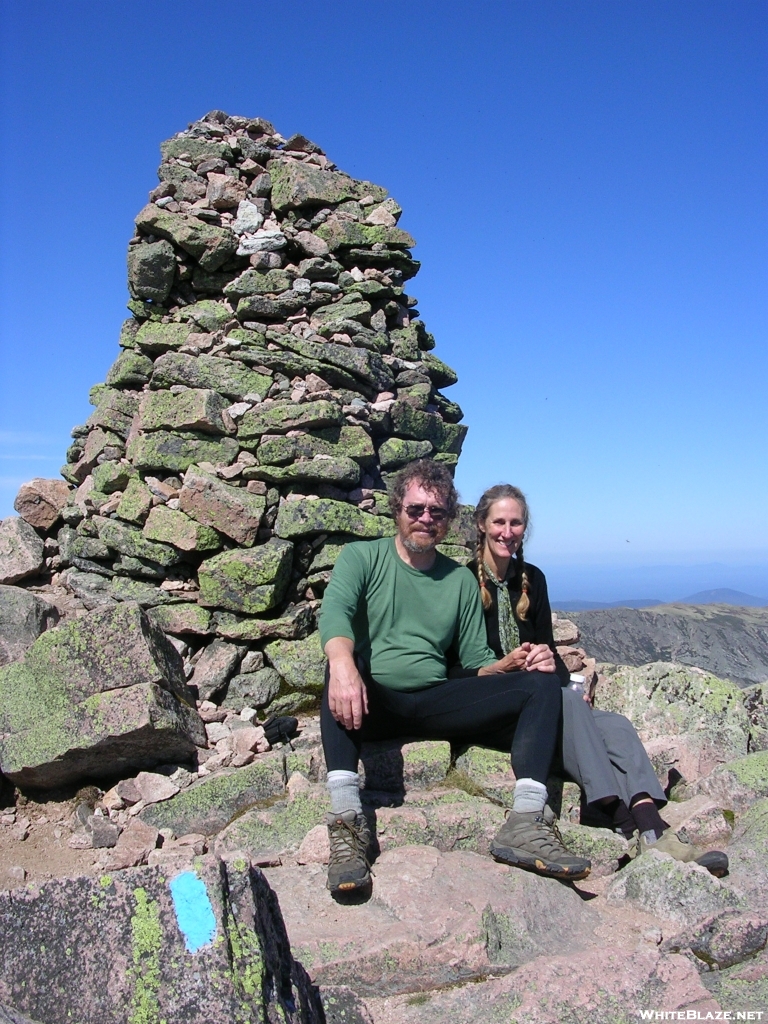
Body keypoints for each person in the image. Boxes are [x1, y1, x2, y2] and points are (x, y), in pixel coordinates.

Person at [318, 460, 592, 895]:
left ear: (449, 520)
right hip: (377, 701)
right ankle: (348, 826)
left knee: (540, 683)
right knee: (340, 671)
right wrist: (342, 663)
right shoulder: (361, 557)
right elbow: (336, 615)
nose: (426, 519)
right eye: (416, 509)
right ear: (397, 509)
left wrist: (512, 666)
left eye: (437, 512)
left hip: (436, 700)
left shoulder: (459, 582)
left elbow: (476, 660)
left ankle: (524, 821)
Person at [467, 483, 728, 875]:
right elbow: (458, 665)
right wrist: (506, 666)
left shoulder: (532, 579)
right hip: (495, 704)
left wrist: (548, 664)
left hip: (541, 699)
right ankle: (616, 815)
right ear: (482, 526)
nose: (508, 531)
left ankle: (653, 827)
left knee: (618, 726)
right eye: (499, 522)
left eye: (516, 522)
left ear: (525, 528)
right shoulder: (463, 582)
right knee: (572, 705)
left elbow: (550, 653)